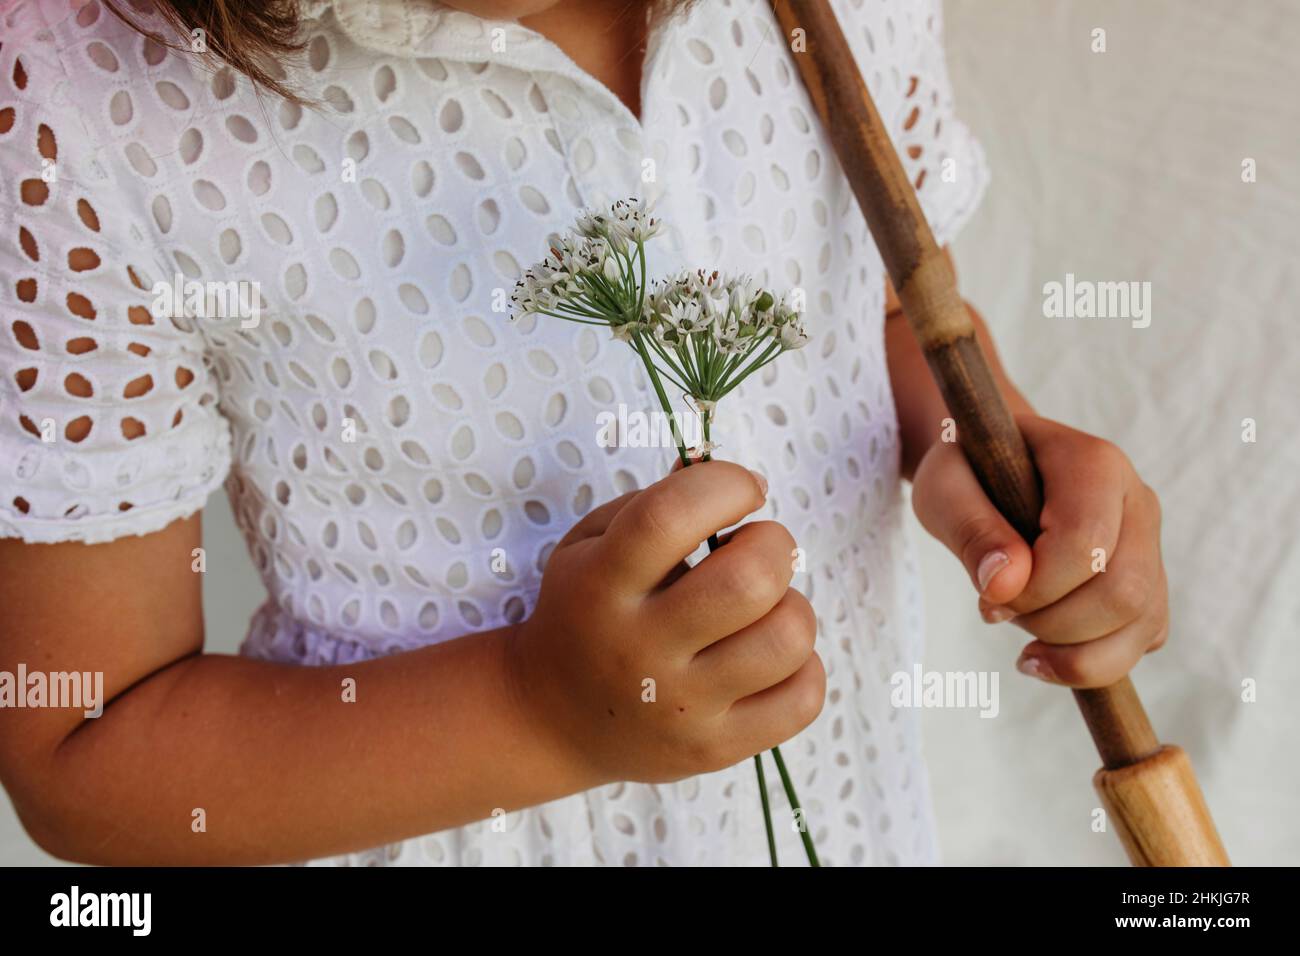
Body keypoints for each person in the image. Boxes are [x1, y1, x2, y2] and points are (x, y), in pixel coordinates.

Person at [0, 0, 1168, 866]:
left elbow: (877, 299)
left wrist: (992, 453)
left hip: (858, 821)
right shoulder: (84, 99)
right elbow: (83, 747)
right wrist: (534, 707)